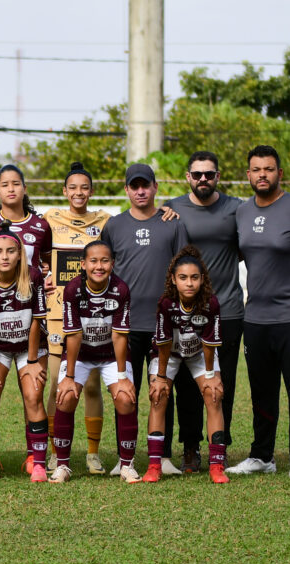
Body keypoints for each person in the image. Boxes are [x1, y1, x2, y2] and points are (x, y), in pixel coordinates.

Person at [228, 145, 290, 478]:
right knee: (261, 390)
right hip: (255, 318)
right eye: (256, 169)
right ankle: (262, 456)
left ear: (279, 173)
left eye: (269, 169)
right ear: (248, 175)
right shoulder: (242, 212)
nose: (262, 175)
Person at [99, 163, 192, 476]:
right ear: (126, 190)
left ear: (155, 188)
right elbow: (101, 271)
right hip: (123, 326)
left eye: (145, 185)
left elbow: (185, 272)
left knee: (161, 389)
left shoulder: (173, 224)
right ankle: (124, 458)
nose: (140, 191)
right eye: (134, 186)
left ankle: (162, 456)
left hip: (162, 324)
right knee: (124, 390)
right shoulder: (114, 226)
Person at [162, 151, 245, 473]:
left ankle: (219, 447)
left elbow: (242, 249)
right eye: (197, 175)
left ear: (218, 176)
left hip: (228, 310)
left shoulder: (237, 209)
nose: (203, 180)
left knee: (224, 383)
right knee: (186, 383)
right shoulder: (172, 209)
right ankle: (190, 447)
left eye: (209, 174)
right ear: (188, 177)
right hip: (184, 313)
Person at [0, 163, 51, 473]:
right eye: (4, 184)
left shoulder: (41, 227)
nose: (10, 189)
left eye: (16, 183)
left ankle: (37, 458)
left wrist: (33, 358)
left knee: (33, 391)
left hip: (29, 318)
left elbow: (48, 264)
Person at [42, 163, 111, 475]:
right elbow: (31, 250)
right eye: (73, 187)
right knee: (59, 386)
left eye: (85, 187)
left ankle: (93, 453)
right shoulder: (50, 220)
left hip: (94, 315)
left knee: (93, 386)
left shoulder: (105, 221)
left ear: (91, 191)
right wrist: (40, 273)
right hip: (58, 315)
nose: (79, 193)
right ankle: (57, 452)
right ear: (64, 191)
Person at [53, 241, 140, 484]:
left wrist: (122, 376)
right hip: (80, 354)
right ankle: (62, 465)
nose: (99, 266)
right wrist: (69, 377)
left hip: (111, 355)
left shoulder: (120, 289)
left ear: (112, 264)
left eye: (104, 261)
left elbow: (119, 335)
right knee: (66, 397)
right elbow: (74, 335)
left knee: (125, 398)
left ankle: (126, 465)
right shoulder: (73, 290)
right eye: (93, 261)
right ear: (83, 264)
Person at [144, 247, 228, 484]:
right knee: (158, 395)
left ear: (202, 279)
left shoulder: (210, 303)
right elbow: (163, 343)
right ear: (173, 279)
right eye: (183, 277)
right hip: (167, 354)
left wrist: (211, 375)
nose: (189, 283)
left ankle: (216, 466)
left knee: (213, 394)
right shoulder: (166, 302)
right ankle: (154, 465)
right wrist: (160, 377)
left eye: (194, 277)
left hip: (200, 353)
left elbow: (210, 343)